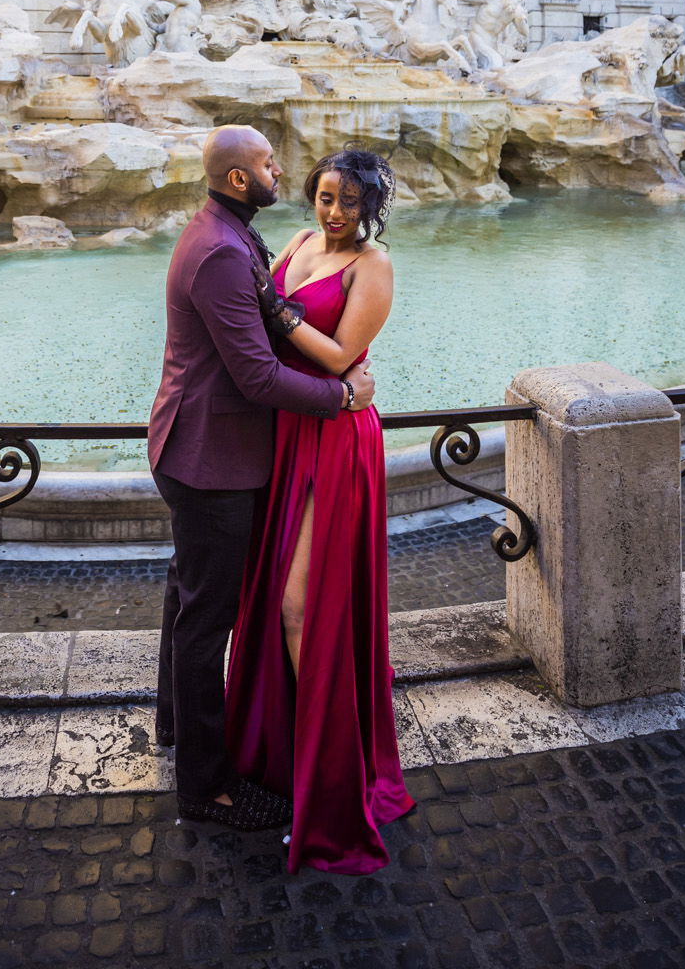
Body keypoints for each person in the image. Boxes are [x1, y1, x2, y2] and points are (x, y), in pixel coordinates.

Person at [148, 125, 375, 831]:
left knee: (189, 592)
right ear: (240, 179)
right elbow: (252, 373)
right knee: (205, 620)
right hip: (209, 457)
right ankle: (205, 788)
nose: (285, 173)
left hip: (205, 447)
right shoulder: (221, 248)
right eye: (271, 165)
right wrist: (339, 397)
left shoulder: (230, 230)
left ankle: (173, 726)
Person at [225, 148, 414, 873]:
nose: (332, 212)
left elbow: (339, 357)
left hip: (336, 439)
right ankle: (285, 755)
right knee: (273, 599)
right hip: (286, 431)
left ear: (370, 206)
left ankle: (332, 777)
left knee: (302, 607)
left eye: (347, 201)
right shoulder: (300, 243)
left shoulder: (375, 265)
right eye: (324, 196)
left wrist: (272, 309)